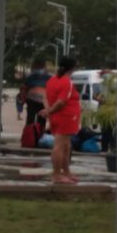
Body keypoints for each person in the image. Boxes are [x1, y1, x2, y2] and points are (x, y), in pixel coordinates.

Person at [40, 56, 80, 184]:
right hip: (66, 116)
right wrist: (50, 111)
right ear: (72, 68)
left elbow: (46, 97)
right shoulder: (66, 82)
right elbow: (61, 102)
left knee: (66, 146)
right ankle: (57, 174)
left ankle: (66, 172)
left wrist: (48, 110)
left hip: (57, 116)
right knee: (59, 146)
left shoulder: (52, 80)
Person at [22, 59, 52, 127]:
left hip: (31, 98)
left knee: (30, 118)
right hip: (43, 99)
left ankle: (29, 132)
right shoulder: (49, 77)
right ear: (44, 66)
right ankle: (40, 132)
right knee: (42, 119)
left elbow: (24, 88)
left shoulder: (30, 76)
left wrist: (23, 98)